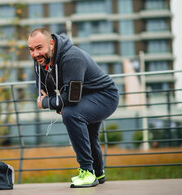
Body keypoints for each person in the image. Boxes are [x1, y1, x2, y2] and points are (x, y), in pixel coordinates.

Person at [28, 27, 119, 188]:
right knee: (88, 134)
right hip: (85, 98)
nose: (35, 54)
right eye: (31, 49)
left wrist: (47, 102)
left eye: (39, 48)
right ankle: (98, 172)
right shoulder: (41, 60)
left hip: (105, 96)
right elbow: (44, 88)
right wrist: (51, 98)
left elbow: (71, 98)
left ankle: (87, 172)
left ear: (51, 44)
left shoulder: (71, 58)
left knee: (71, 114)